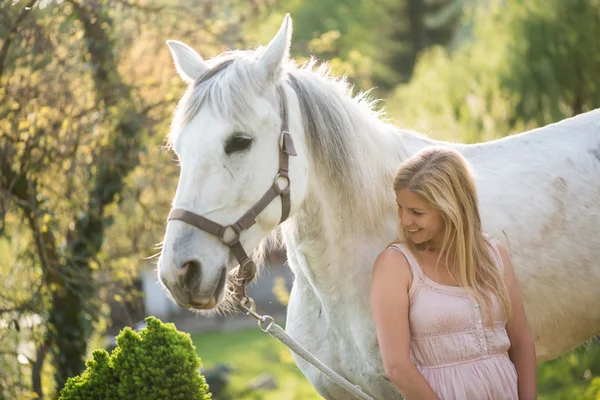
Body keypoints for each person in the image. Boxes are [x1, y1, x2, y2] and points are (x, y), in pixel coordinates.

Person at [370, 147, 537, 400]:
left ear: (451, 208)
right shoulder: (395, 265)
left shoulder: (494, 255)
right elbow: (397, 368)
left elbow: (522, 342)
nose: (404, 221)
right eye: (401, 208)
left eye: (416, 212)